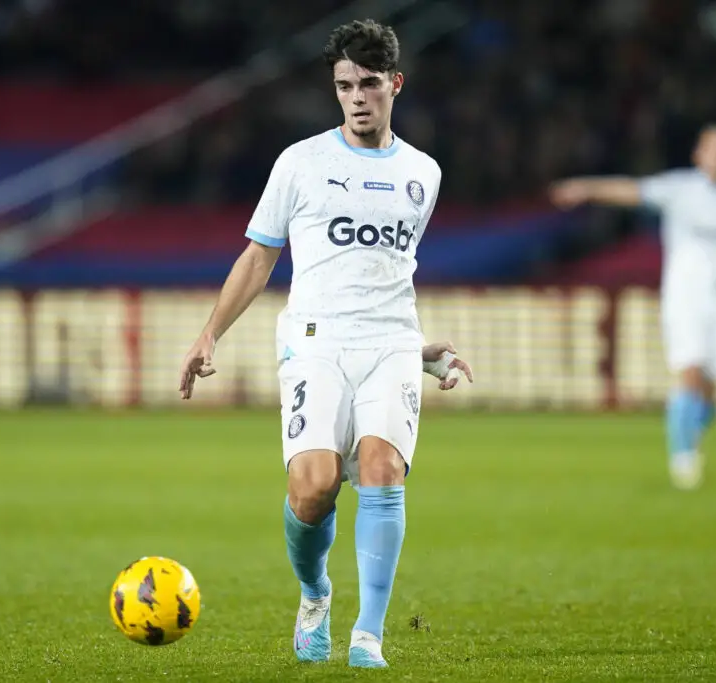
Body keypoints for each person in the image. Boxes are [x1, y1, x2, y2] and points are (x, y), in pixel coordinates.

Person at [177, 19, 473, 668]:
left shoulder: (423, 173)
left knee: (382, 469)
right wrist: (210, 331)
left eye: (369, 83)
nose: (357, 97)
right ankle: (315, 592)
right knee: (314, 486)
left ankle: (369, 634)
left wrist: (418, 350)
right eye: (345, 86)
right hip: (315, 342)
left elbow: (390, 274)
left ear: (395, 83)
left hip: (391, 343)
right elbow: (258, 257)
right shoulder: (301, 163)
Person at [550, 124, 716, 490]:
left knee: (711, 381)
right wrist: (586, 188)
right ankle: (682, 456)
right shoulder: (680, 189)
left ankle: (691, 431)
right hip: (688, 293)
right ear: (698, 155)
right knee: (690, 369)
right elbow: (631, 190)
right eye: (713, 149)